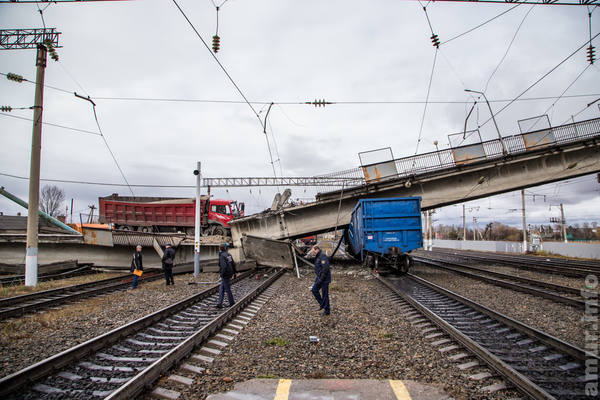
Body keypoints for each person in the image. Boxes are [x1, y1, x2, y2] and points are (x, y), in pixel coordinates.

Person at [311, 244, 331, 315]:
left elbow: (325, 268)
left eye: (313, 251)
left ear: (317, 249)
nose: (313, 253)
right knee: (314, 290)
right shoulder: (318, 256)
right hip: (319, 278)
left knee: (325, 295)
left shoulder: (322, 256)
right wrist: (317, 278)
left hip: (324, 279)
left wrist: (321, 279)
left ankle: (327, 311)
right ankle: (322, 304)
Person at [216, 243, 236, 308]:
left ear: (220, 249)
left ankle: (232, 302)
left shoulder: (222, 256)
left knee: (227, 289)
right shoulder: (228, 255)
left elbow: (224, 266)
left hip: (225, 274)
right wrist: (235, 273)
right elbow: (233, 264)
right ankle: (219, 303)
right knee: (221, 288)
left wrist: (221, 274)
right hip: (230, 273)